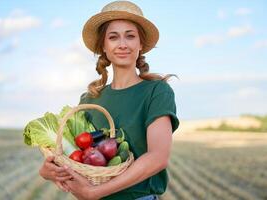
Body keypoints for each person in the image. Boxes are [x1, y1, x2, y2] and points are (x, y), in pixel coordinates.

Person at [39, 1, 179, 199]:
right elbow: (80, 159)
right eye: (113, 37)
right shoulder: (89, 99)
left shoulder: (156, 91)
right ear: (103, 46)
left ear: (140, 45)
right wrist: (49, 171)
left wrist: (95, 192)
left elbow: (158, 157)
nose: (122, 44)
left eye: (130, 36)